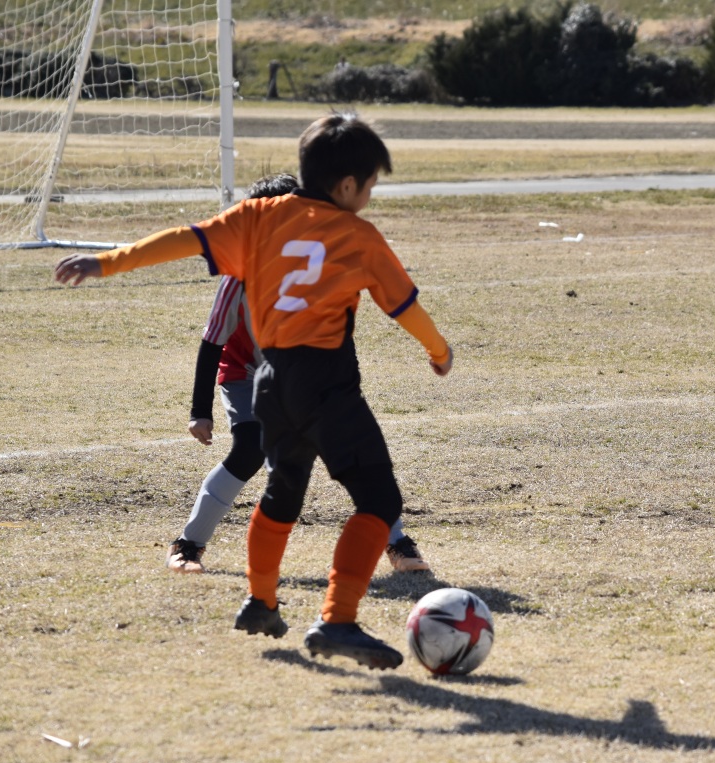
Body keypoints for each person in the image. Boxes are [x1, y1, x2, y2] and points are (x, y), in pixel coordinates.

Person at [56, 113, 452, 669]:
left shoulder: (257, 216)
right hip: (327, 382)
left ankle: (261, 601)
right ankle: (338, 619)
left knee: (283, 491)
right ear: (347, 186)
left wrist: (105, 262)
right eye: (370, 187)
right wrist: (439, 351)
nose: (368, 198)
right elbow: (404, 306)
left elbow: (184, 239)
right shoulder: (357, 235)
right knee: (379, 500)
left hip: (269, 382)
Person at [168, 172, 432, 577]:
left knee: (352, 448)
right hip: (247, 373)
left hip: (308, 373)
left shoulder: (321, 266)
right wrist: (199, 411)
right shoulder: (239, 275)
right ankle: (188, 545)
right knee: (250, 449)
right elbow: (212, 343)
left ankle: (398, 543)